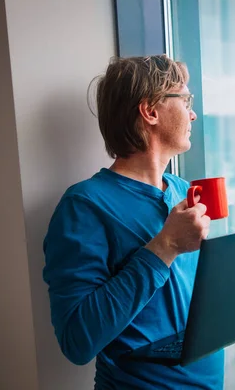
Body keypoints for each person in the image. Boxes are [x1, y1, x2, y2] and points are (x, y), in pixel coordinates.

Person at [42, 55, 224, 389]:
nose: (193, 113)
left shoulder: (184, 191)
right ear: (150, 111)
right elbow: (77, 342)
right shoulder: (83, 206)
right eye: (185, 100)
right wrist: (165, 246)